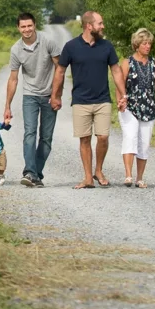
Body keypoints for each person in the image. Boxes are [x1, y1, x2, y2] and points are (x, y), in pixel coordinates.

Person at [50, 10, 125, 189]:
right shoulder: (71, 46)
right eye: (100, 23)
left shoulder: (106, 46)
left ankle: (98, 170)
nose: (103, 26)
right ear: (89, 26)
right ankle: (87, 177)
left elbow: (116, 71)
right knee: (84, 139)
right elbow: (60, 72)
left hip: (102, 99)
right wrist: (55, 96)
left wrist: (123, 95)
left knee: (103, 137)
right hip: (80, 100)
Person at [3, 11, 65, 187]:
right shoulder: (16, 49)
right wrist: (7, 105)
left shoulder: (48, 42)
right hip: (30, 95)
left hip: (49, 95)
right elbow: (13, 79)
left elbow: (59, 69)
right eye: (23, 26)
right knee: (30, 133)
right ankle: (30, 172)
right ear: (18, 28)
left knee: (46, 138)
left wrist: (56, 95)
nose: (27, 29)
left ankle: (35, 174)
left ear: (34, 25)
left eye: (29, 25)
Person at [118, 28, 155, 187]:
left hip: (149, 106)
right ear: (137, 44)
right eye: (144, 43)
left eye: (149, 43)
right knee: (130, 137)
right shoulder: (127, 62)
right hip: (130, 105)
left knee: (144, 143)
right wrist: (121, 100)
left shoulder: (154, 63)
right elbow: (120, 84)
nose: (147, 46)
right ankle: (128, 175)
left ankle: (140, 177)